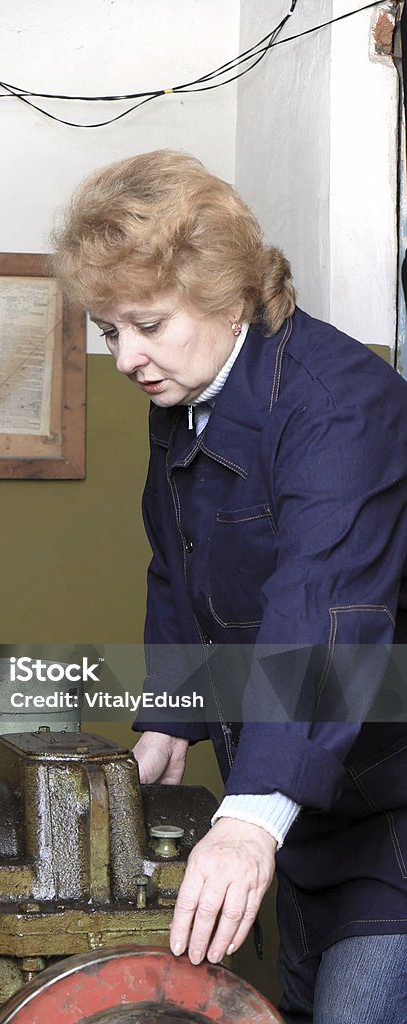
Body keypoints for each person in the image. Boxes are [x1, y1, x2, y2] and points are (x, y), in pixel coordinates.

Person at [51, 150, 407, 1024]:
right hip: (298, 801)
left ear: (228, 293)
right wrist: (170, 715)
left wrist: (249, 818)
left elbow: (324, 608)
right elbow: (178, 566)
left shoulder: (340, 409)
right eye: (109, 331)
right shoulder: (183, 400)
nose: (127, 358)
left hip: (388, 812)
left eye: (148, 324)